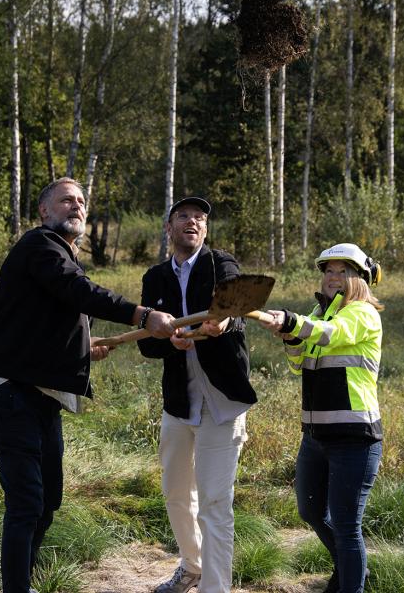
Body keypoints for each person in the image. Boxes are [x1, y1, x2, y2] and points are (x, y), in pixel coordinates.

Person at [0, 177, 177, 593]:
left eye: (82, 201)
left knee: (46, 503)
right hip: (11, 394)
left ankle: (22, 584)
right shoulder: (40, 247)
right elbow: (76, 291)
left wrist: (85, 347)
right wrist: (142, 316)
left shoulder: (56, 256)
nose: (77, 206)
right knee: (27, 504)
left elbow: (46, 318)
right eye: (67, 200)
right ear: (44, 212)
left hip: (39, 397)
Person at [137, 197, 258, 593]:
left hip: (221, 403)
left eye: (200, 218)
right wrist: (170, 343)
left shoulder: (219, 264)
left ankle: (215, 588)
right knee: (175, 492)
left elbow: (236, 307)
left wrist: (221, 323)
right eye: (184, 216)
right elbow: (147, 345)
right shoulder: (155, 278)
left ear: (205, 230)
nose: (193, 222)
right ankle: (193, 566)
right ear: (169, 228)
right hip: (179, 402)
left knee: (214, 504)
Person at [259, 243, 384, 593]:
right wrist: (290, 338)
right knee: (311, 512)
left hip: (354, 438)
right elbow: (299, 364)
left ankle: (351, 580)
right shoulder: (320, 313)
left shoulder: (362, 313)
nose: (333, 278)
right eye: (329, 271)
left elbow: (333, 336)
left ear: (360, 278)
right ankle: (351, 567)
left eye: (343, 271)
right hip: (315, 436)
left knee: (346, 526)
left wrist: (295, 322)